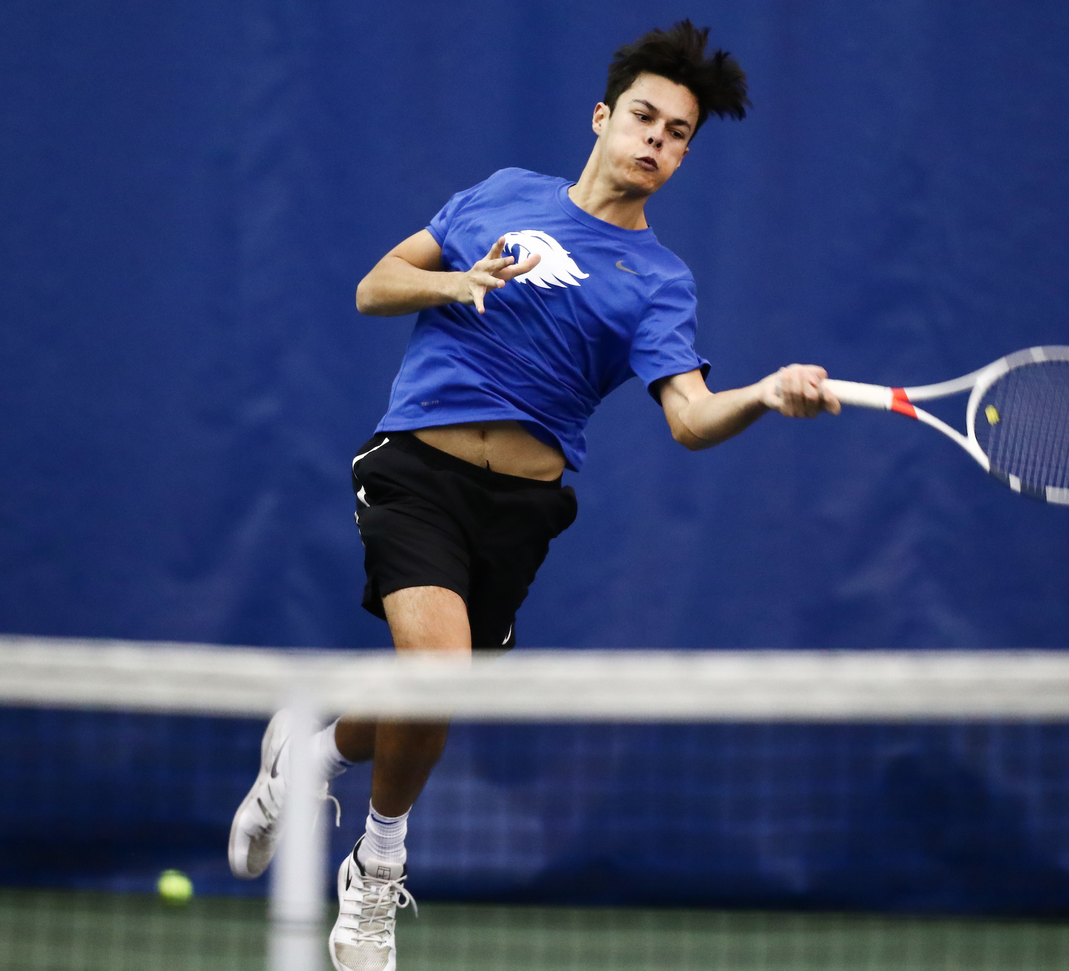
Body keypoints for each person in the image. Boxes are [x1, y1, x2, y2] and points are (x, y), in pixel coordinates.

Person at [228, 19, 840, 971]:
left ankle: (315, 750)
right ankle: (376, 871)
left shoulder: (659, 281)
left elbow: (689, 418)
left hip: (519, 513)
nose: (656, 140)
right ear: (602, 116)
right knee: (437, 676)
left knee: (429, 694)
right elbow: (374, 286)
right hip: (416, 471)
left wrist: (761, 395)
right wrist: (453, 284)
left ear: (684, 155)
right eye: (643, 117)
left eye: (677, 133)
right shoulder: (503, 195)